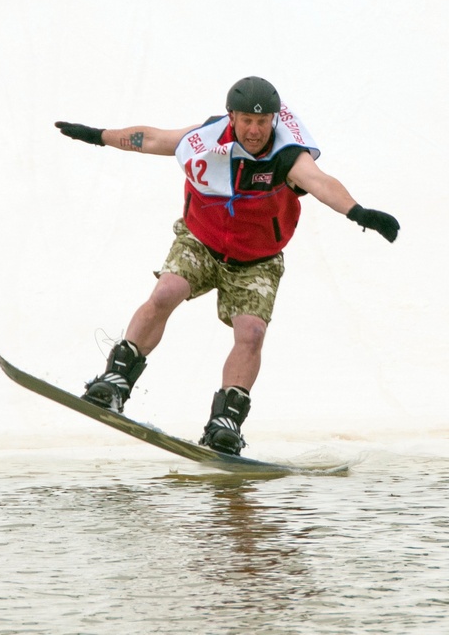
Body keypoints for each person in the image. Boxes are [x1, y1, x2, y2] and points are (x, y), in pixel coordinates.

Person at [55, 76, 398, 455]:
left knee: (251, 333)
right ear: (231, 117)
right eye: (246, 122)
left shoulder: (287, 154)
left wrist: (359, 212)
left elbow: (319, 181)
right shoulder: (207, 137)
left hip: (257, 260)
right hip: (201, 241)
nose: (254, 131)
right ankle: (115, 381)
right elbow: (151, 139)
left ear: (274, 120)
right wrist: (98, 135)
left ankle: (225, 424)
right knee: (166, 291)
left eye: (263, 122)